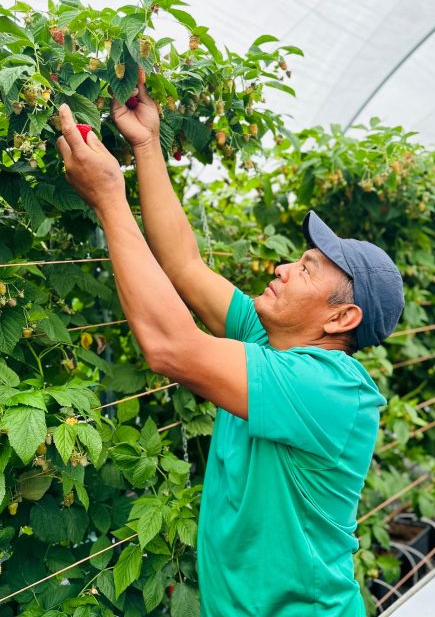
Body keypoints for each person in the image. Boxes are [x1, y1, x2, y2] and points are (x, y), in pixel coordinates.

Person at [56, 82, 404, 617]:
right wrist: (148, 146)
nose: (283, 267)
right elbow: (183, 265)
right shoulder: (273, 343)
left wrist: (108, 198)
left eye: (306, 269)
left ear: (341, 318)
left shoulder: (331, 388)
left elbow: (171, 346)